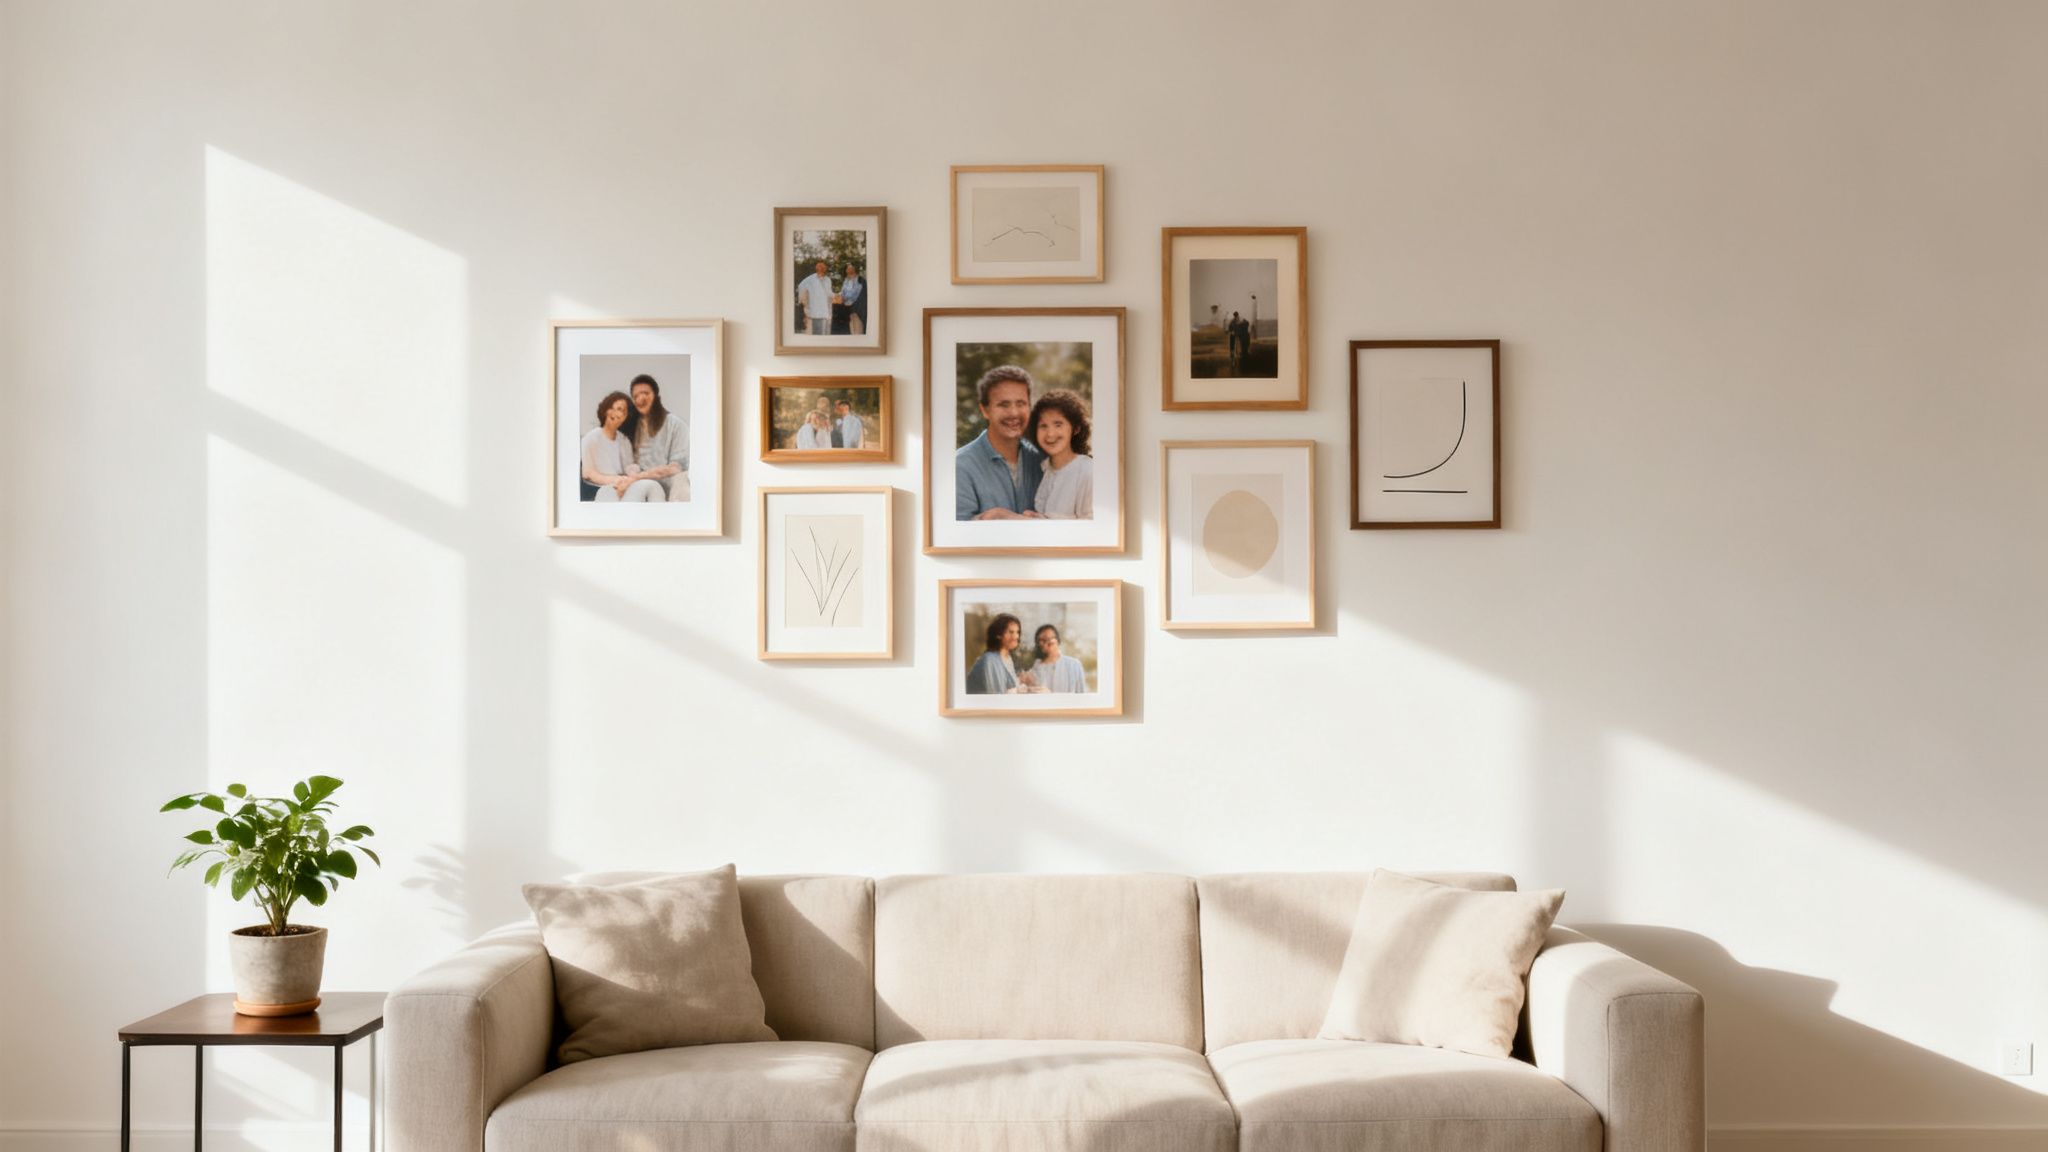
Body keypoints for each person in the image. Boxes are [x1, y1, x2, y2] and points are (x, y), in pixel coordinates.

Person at [954, 365, 1044, 520]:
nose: (1014, 413)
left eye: (1021, 403)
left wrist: (1000, 516)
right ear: (985, 410)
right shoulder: (959, 466)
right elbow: (954, 535)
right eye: (1004, 404)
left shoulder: (1042, 461)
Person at [581, 392, 663, 502]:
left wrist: (634, 475)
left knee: (654, 486)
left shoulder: (624, 440)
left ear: (625, 417)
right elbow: (588, 473)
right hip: (601, 488)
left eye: (622, 411)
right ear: (606, 410)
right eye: (615, 408)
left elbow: (628, 467)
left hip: (624, 484)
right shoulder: (591, 438)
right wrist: (614, 480)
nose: (617, 414)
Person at [1026, 389, 1093, 520]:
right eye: (1043, 426)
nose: (1050, 434)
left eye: (1058, 424)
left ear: (1076, 429)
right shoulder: (1042, 469)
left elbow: (1093, 530)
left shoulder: (1087, 471)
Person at [623, 374, 689, 502]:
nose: (641, 398)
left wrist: (639, 477)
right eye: (636, 396)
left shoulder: (676, 425)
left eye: (645, 393)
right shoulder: (632, 427)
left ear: (656, 396)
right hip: (640, 489)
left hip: (671, 491)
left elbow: (677, 467)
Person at [965, 613, 1022, 694]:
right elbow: (995, 696)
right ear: (998, 635)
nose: (1016, 636)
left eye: (1017, 632)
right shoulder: (990, 660)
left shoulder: (1008, 658)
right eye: (1011, 632)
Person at [1025, 624, 1086, 693]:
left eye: (1049, 639)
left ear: (1058, 641)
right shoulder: (1035, 668)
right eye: (1041, 640)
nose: (1046, 643)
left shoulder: (1073, 664)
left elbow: (1082, 693)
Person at [795, 260, 836, 336]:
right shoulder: (810, 279)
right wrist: (804, 302)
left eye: (823, 267)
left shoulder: (828, 280)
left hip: (826, 310)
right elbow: (801, 287)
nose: (821, 268)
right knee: (818, 335)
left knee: (826, 334)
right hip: (816, 310)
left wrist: (836, 296)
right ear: (816, 268)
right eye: (819, 267)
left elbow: (829, 293)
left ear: (825, 268)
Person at [840, 263, 866, 336]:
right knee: (852, 329)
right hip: (848, 308)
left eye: (851, 268)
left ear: (854, 269)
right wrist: (841, 297)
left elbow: (856, 292)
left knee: (858, 329)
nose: (849, 269)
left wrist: (845, 297)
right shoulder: (846, 280)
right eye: (847, 268)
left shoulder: (860, 280)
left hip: (858, 308)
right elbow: (843, 291)